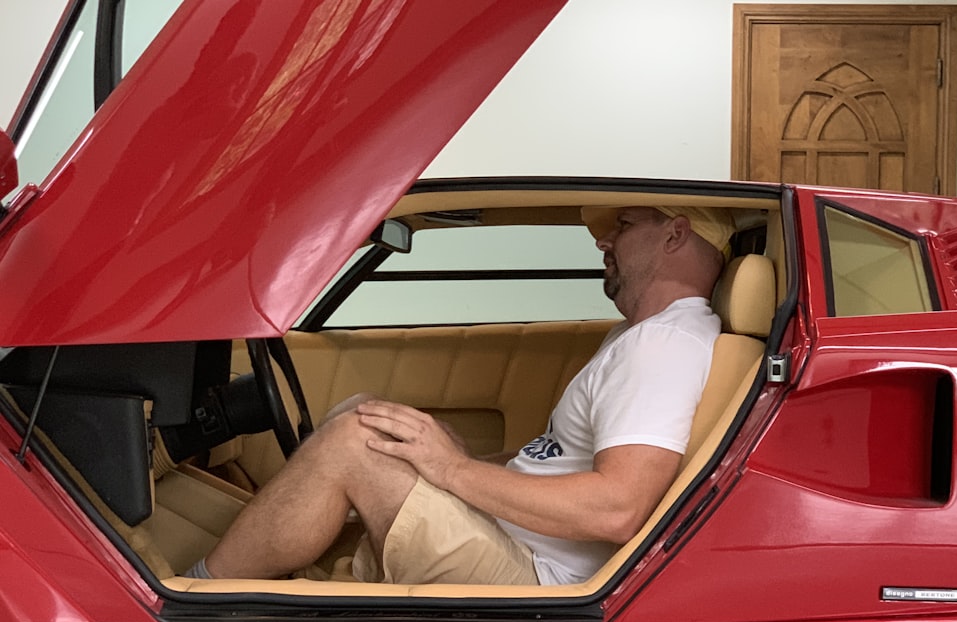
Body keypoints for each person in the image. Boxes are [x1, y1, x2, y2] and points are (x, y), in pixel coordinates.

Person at [190, 204, 735, 585]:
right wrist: (447, 459)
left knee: (355, 441)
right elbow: (558, 461)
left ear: (674, 236)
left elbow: (618, 509)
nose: (603, 241)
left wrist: (451, 470)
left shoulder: (663, 346)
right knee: (371, 415)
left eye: (623, 225)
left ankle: (189, 594)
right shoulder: (642, 337)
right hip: (518, 539)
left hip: (534, 576)